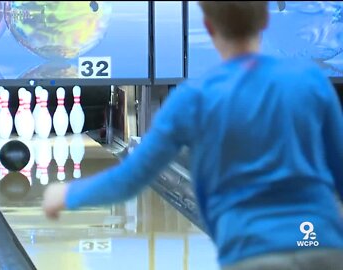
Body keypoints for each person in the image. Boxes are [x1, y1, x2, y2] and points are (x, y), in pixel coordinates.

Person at [42, 1, 343, 269]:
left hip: (253, 252)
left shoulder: (194, 97)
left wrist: (67, 195)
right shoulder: (310, 79)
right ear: (265, 19)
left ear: (209, 26)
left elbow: (131, 179)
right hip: (321, 242)